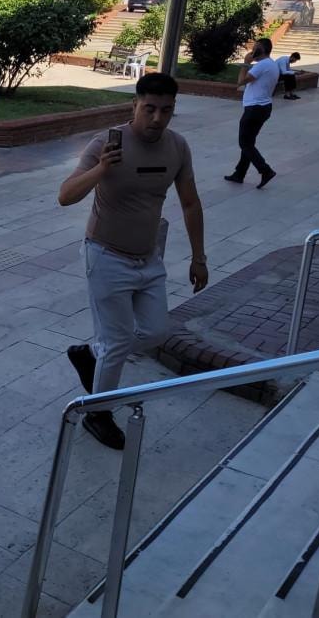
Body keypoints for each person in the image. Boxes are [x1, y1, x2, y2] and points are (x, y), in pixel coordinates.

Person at [57, 73, 209, 450]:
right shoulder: (106, 144)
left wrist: (199, 257)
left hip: (148, 258)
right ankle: (97, 413)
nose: (157, 118)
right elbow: (65, 195)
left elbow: (191, 203)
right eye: (149, 109)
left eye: (166, 110)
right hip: (105, 256)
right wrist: (101, 170)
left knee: (155, 332)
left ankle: (91, 354)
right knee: (117, 340)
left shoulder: (177, 147)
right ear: (135, 105)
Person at [225, 38, 279, 189]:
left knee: (244, 143)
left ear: (262, 49)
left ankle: (265, 170)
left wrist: (245, 63)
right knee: (249, 143)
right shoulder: (271, 64)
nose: (252, 50)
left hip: (254, 109)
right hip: (263, 107)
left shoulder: (261, 65)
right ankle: (239, 174)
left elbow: (241, 82)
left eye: (255, 48)